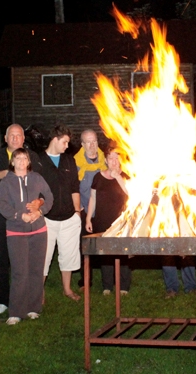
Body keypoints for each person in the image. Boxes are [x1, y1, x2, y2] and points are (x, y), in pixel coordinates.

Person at [0, 124, 43, 315]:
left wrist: (38, 205)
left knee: (26, 261)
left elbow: (40, 183)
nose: (16, 138)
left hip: (28, 219)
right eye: (12, 135)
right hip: (4, 216)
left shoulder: (32, 157)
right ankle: (2, 299)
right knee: (1, 257)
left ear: (23, 139)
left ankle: (26, 299)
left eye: (19, 135)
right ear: (5, 138)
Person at [0, 148, 53, 325]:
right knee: (20, 271)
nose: (21, 161)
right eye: (17, 158)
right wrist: (20, 216)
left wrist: (40, 211)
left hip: (38, 231)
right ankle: (16, 311)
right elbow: (3, 206)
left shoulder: (37, 178)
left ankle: (33, 308)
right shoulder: (6, 182)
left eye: (24, 158)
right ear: (12, 162)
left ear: (29, 161)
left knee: (36, 270)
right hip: (16, 232)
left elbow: (49, 196)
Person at [38, 124, 82, 302]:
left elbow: (74, 188)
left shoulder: (69, 160)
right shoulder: (39, 160)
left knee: (68, 255)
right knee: (43, 257)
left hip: (69, 217)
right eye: (64, 142)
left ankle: (67, 289)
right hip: (47, 218)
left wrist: (77, 212)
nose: (66, 146)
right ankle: (39, 292)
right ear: (55, 140)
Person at [85, 146, 131, 295]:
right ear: (105, 160)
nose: (114, 161)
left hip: (121, 221)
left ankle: (123, 286)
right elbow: (93, 198)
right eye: (110, 158)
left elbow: (131, 193)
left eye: (117, 158)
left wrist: (118, 177)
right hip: (102, 220)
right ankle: (107, 286)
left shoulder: (126, 176)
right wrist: (88, 219)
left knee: (122, 252)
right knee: (105, 254)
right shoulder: (98, 177)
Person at [75, 129, 105, 289]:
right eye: (88, 142)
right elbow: (73, 187)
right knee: (85, 248)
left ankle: (109, 282)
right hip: (85, 211)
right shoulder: (76, 163)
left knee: (106, 246)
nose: (92, 145)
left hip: (104, 212)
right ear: (82, 144)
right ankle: (85, 280)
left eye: (94, 141)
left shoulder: (105, 161)